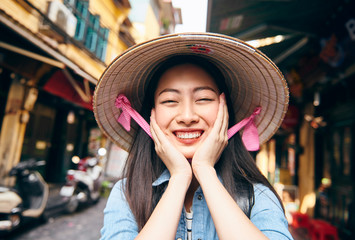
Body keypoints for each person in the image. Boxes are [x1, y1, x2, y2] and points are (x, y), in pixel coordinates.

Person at [94, 33, 293, 239]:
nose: (187, 117)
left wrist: (204, 170)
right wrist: (179, 178)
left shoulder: (257, 197)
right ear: (150, 115)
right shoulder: (126, 194)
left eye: (204, 98)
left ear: (225, 111)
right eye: (170, 101)